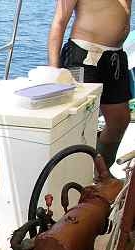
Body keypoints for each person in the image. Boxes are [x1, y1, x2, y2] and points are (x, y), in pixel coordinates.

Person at [48, 0, 132, 168]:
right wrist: (54, 71)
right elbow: (59, 22)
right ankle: (78, 173)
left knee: (120, 121)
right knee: (80, 122)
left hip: (115, 57)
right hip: (84, 56)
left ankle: (100, 173)